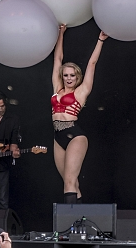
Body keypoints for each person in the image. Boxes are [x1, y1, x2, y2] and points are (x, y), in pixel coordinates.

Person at [51, 25, 108, 203]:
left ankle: (68, 220)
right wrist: (61, 33)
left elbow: (92, 63)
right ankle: (79, 217)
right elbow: (57, 59)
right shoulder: (57, 88)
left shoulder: (81, 91)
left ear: (77, 77)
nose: (69, 78)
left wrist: (100, 40)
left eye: (72, 75)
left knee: (69, 182)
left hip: (74, 134)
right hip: (58, 135)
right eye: (66, 75)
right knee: (71, 182)